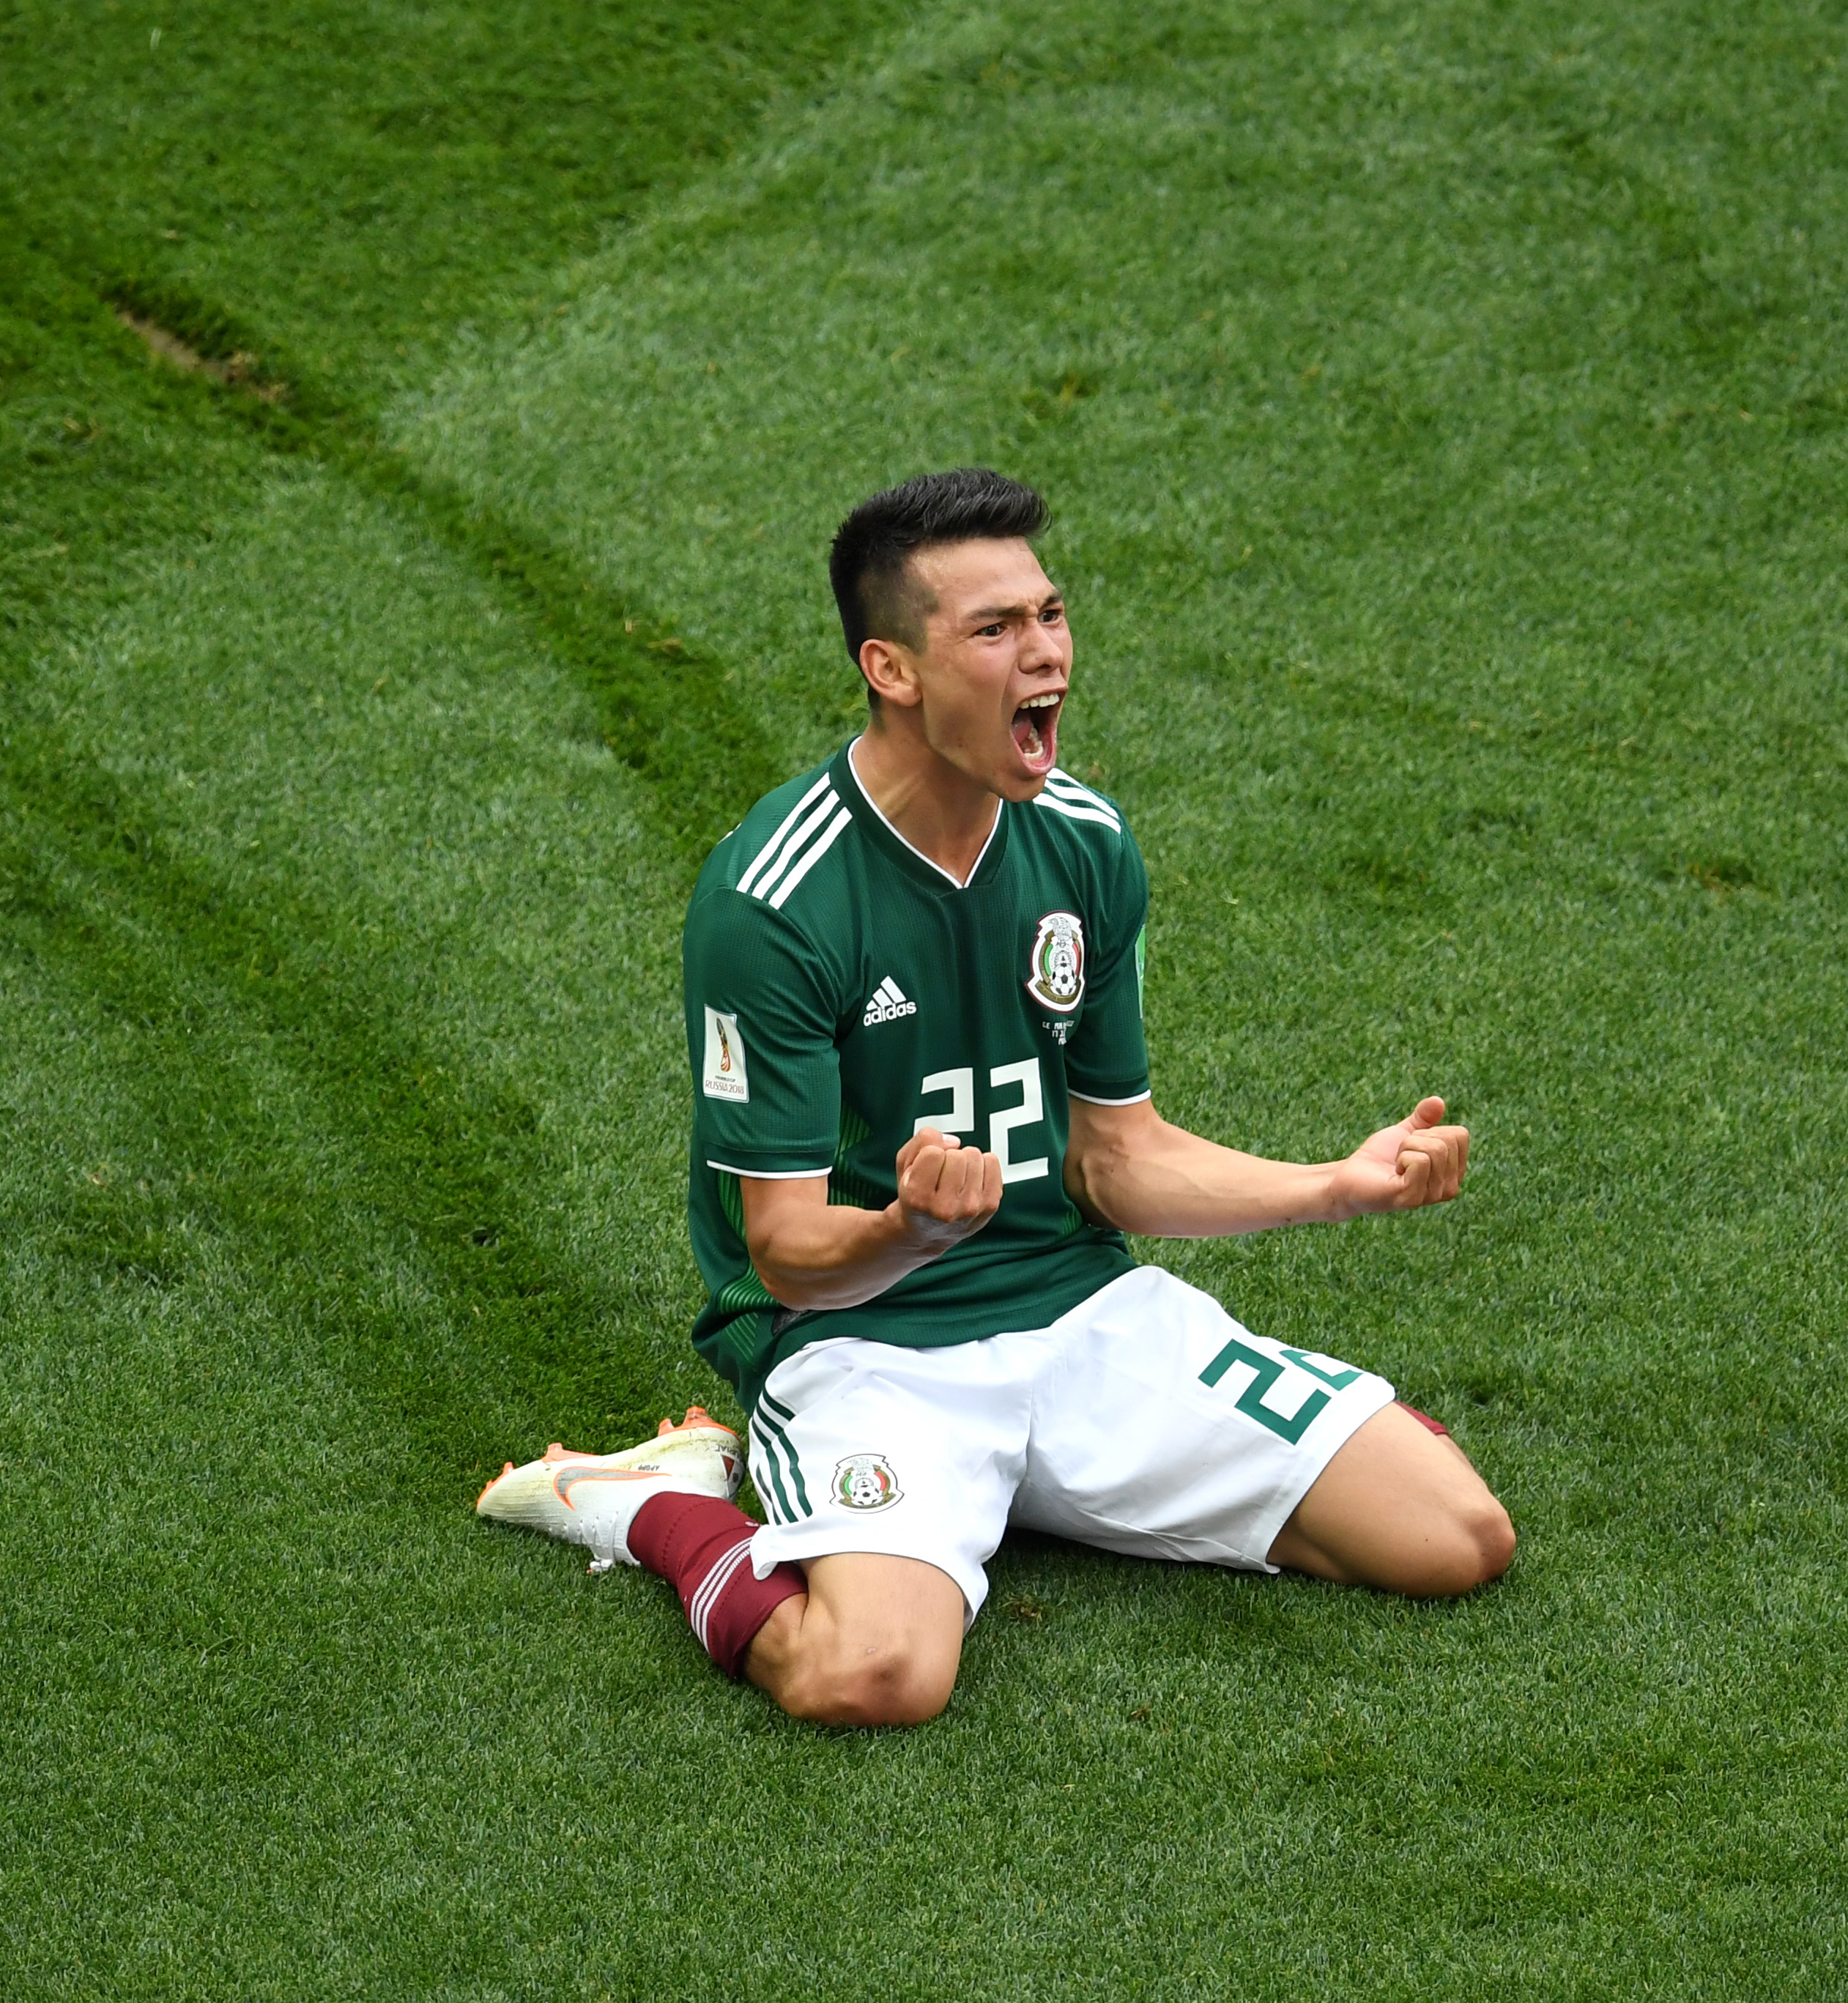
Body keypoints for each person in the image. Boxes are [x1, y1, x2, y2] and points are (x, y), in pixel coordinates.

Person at [478, 469, 1513, 1725]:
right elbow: (785, 1257)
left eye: (1050, 614)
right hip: (865, 1348)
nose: (1047, 654)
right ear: (892, 669)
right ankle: (662, 1506)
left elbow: (1112, 1159)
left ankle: (1001, 1494)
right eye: (995, 629)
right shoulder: (774, 902)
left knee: (1457, 1538)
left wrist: (1334, 1187)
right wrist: (910, 1228)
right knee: (869, 1679)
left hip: (1077, 1313)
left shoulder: (1082, 842)